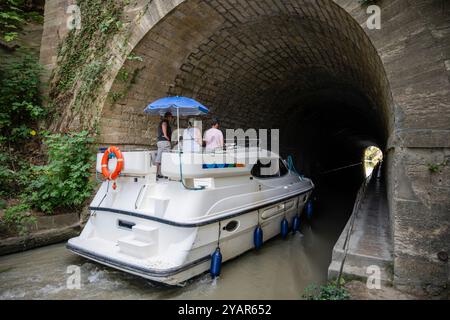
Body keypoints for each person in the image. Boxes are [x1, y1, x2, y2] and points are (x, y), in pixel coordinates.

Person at [155, 111, 173, 178]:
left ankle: (157, 173)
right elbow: (164, 125)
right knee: (167, 157)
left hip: (160, 141)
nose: (171, 119)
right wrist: (166, 135)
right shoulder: (165, 121)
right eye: (171, 117)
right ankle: (167, 174)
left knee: (159, 158)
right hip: (164, 142)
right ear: (169, 117)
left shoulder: (162, 121)